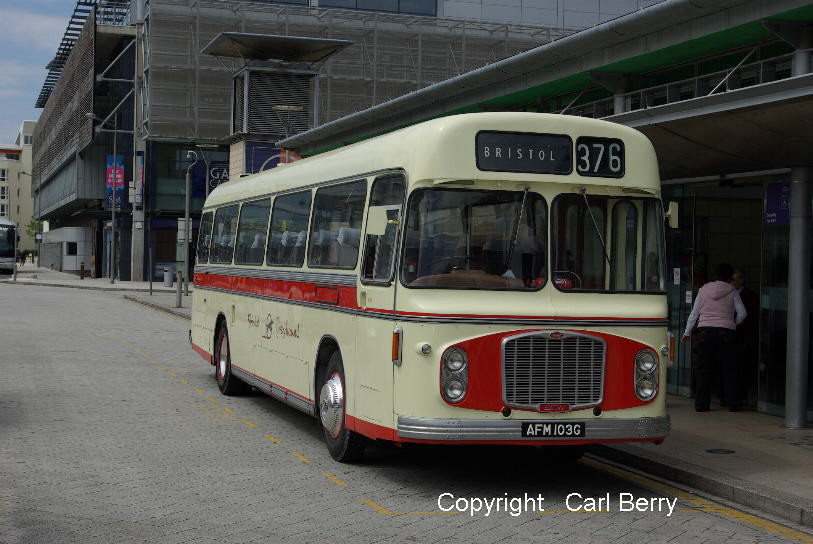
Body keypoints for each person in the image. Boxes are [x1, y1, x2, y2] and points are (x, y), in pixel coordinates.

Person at [681, 262, 746, 412]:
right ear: (730, 277)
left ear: (715, 275)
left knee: (704, 369)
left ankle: (702, 405)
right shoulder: (733, 291)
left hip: (705, 332)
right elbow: (742, 313)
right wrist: (732, 323)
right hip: (726, 333)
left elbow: (694, 314)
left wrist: (687, 333)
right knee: (729, 369)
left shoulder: (703, 290)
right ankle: (733, 404)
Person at [732, 268, 759, 406]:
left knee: (742, 367)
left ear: (741, 280)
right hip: (733, 334)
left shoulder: (750, 296)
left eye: (734, 280)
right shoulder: (730, 294)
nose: (732, 283)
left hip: (743, 335)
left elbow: (749, 317)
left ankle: (741, 395)